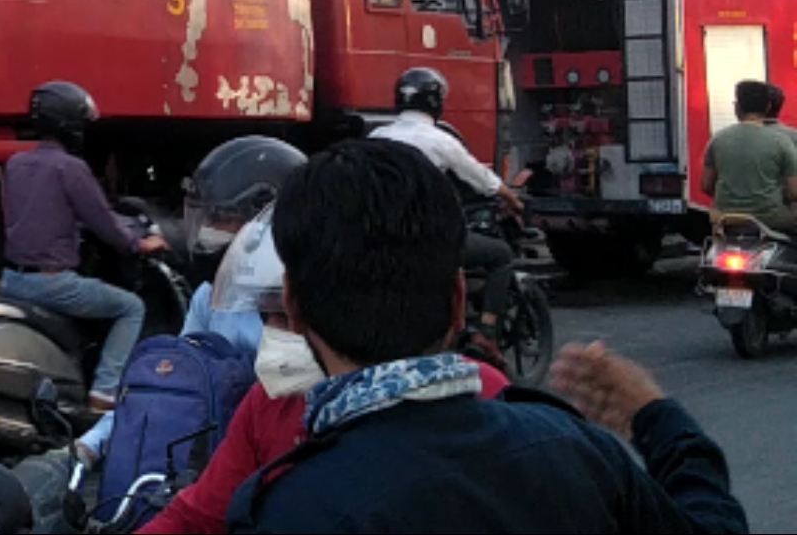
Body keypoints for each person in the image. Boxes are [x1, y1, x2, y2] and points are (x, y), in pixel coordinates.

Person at [226, 139, 747, 533]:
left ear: (292, 307)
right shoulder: (574, 451)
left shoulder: (284, 507)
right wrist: (658, 418)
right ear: (458, 298)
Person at [139, 202, 509, 535]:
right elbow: (196, 516)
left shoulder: (480, 393)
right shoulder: (270, 403)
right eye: (265, 316)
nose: (275, 334)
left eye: (285, 317)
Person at [74, 136, 306, 465]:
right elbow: (175, 382)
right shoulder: (208, 297)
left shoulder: (313, 302)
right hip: (216, 460)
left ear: (267, 222)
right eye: (206, 219)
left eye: (221, 219)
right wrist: (91, 443)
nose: (208, 232)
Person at [1, 81, 165, 411]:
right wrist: (140, 245)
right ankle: (104, 393)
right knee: (131, 307)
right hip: (52, 284)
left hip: (11, 279)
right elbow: (104, 222)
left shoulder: (15, 164)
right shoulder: (71, 169)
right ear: (70, 124)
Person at [370, 67, 522, 346]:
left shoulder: (376, 136)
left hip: (383, 238)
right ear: (436, 102)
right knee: (500, 255)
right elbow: (482, 178)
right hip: (428, 239)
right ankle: (486, 332)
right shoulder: (440, 140)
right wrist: (513, 198)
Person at [701, 79, 797, 234]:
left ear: (737, 107)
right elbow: (794, 192)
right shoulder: (781, 141)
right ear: (767, 107)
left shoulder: (718, 139)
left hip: (725, 218)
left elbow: (706, 185)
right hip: (771, 219)